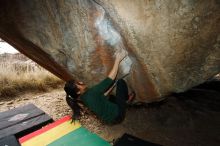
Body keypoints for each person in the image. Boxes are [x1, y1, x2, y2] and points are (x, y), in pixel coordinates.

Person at [64, 49, 134, 124]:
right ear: (78, 91)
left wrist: (112, 86)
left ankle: (122, 103)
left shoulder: (83, 97)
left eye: (78, 81)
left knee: (110, 97)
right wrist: (118, 59)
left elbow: (102, 97)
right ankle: (126, 100)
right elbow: (110, 78)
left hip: (111, 120)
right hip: (118, 115)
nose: (81, 82)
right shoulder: (91, 93)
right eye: (78, 84)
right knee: (120, 82)